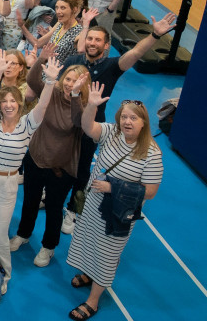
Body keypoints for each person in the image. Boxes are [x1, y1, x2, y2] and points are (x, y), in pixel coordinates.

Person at [58, 13, 176, 234]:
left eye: (97, 40)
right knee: (60, 161)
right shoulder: (74, 61)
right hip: (65, 124)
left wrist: (154, 35)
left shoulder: (112, 66)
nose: (92, 43)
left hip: (91, 128)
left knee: (83, 169)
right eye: (89, 39)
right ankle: (53, 193)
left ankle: (73, 208)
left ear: (106, 45)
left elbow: (136, 52)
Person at [65, 90, 162, 321]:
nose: (127, 122)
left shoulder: (152, 154)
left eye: (133, 118)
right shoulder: (111, 133)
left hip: (117, 214)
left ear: (143, 123)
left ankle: (93, 301)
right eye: (124, 117)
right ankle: (89, 273)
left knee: (108, 255)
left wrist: (113, 187)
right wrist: (92, 105)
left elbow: (150, 192)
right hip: (93, 204)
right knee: (89, 241)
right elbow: (87, 126)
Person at [0, 50, 51, 293]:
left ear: (20, 104)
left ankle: (3, 272)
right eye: (5, 102)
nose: (8, 105)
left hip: (6, 183)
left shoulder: (28, 124)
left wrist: (51, 81)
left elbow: (44, 104)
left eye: (13, 101)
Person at [10, 49, 90, 268]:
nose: (69, 84)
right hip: (36, 158)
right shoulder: (51, 92)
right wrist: (41, 59)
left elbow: (77, 121)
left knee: (54, 208)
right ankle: (23, 234)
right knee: (30, 200)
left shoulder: (84, 106)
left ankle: (48, 247)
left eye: (76, 82)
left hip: (61, 169)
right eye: (68, 79)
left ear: (83, 86)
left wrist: (75, 95)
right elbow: (32, 80)